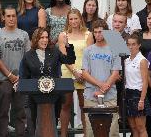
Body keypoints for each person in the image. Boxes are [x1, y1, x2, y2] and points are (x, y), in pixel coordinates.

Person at [20, 27, 76, 132]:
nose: (45, 40)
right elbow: (24, 77)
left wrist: (67, 46)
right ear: (36, 39)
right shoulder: (28, 55)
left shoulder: (54, 51)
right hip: (35, 98)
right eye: (42, 37)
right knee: (36, 125)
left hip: (54, 97)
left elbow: (70, 60)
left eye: (46, 37)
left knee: (51, 124)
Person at [0, 5, 31, 137]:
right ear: (3, 17)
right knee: (2, 113)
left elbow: (28, 57)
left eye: (14, 16)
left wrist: (21, 76)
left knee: (20, 112)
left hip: (21, 79)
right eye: (8, 16)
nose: (11, 18)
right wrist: (9, 75)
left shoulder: (24, 34)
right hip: (4, 80)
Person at [82, 20, 121, 137]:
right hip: (91, 95)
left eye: (101, 32)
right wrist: (100, 85)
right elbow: (85, 73)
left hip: (110, 96)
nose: (98, 34)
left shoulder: (114, 48)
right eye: (95, 32)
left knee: (112, 131)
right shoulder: (88, 50)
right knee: (90, 131)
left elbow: (115, 73)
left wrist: (103, 90)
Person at [58, 9, 93, 137]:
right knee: (66, 104)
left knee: (84, 105)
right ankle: (63, 134)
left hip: (84, 73)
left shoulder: (88, 35)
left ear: (80, 19)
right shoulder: (63, 35)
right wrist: (74, 72)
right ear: (68, 20)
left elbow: (90, 56)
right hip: (67, 72)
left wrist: (83, 73)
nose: (73, 21)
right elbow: (64, 56)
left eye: (76, 18)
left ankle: (86, 134)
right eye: (71, 19)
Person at [125, 33, 151, 137]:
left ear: (139, 45)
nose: (131, 47)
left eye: (133, 44)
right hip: (128, 93)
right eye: (129, 44)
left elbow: (145, 81)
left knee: (141, 127)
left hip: (139, 94)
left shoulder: (142, 60)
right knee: (133, 127)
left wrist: (142, 100)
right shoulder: (126, 60)